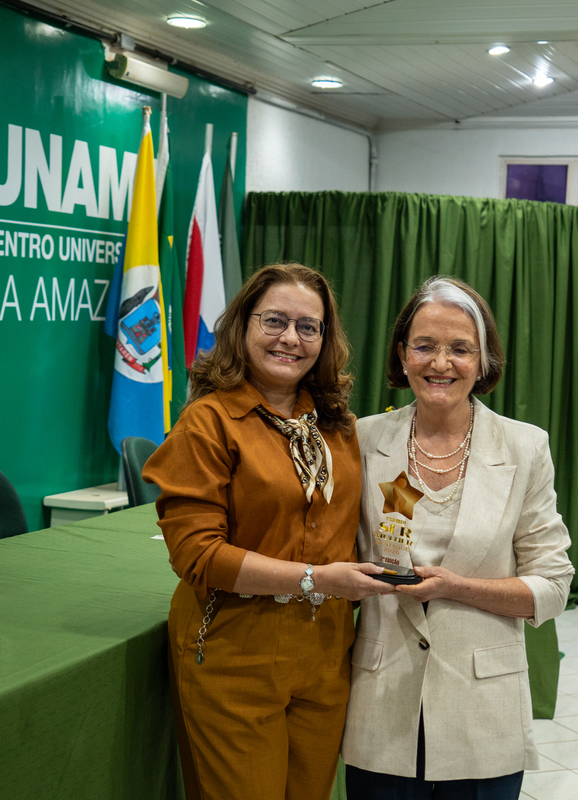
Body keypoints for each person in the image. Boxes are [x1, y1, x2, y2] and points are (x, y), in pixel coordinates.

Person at [143, 264, 393, 800]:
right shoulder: (207, 423)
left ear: (325, 341)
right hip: (236, 653)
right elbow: (198, 557)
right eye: (274, 321)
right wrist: (316, 578)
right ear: (241, 326)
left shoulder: (338, 426)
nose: (290, 338)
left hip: (326, 655)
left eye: (309, 327)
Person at [342, 276, 574, 799]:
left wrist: (454, 586)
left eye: (460, 349)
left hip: (482, 712)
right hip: (382, 706)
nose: (440, 363)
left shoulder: (524, 447)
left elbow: (553, 586)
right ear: (402, 355)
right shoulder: (362, 439)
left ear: (484, 360)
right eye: (424, 346)